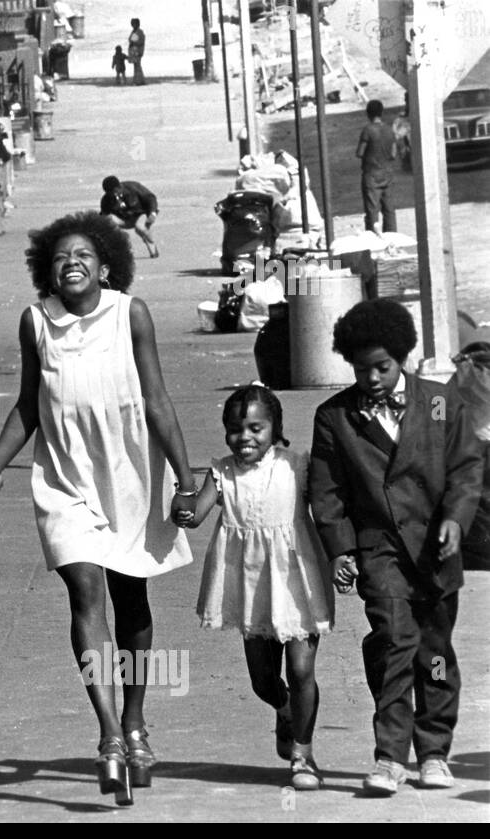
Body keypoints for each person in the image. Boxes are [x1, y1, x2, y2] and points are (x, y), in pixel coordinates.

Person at [0, 211, 193, 807]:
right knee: (85, 592)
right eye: (61, 256)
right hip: (64, 480)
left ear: (107, 265)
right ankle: (110, 734)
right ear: (47, 271)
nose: (72, 263)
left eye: (84, 254)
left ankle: (137, 722)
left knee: (132, 600)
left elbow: (159, 399)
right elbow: (28, 408)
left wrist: (186, 482)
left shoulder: (129, 313)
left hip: (132, 473)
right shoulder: (36, 322)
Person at [309, 299, 483, 796]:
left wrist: (455, 519)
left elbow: (466, 468)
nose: (373, 378)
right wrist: (341, 549)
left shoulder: (437, 402)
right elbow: (327, 492)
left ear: (402, 357)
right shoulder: (336, 417)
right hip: (380, 551)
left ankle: (432, 751)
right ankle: (388, 756)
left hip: (436, 552)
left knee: (433, 653)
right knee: (394, 643)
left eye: (382, 367)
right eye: (362, 369)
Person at [174, 385, 334, 791]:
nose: (244, 437)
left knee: (301, 670)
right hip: (250, 587)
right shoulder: (222, 472)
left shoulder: (298, 466)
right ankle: (283, 709)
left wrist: (345, 554)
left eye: (255, 428)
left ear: (275, 428)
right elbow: (195, 516)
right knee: (263, 680)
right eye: (234, 429)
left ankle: (304, 754)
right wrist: (182, 502)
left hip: (298, 581)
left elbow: (330, 508)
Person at [357, 99, 398, 234]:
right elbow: (393, 154)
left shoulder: (368, 130)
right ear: (381, 113)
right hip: (387, 174)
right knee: (389, 209)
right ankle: (392, 237)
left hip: (371, 175)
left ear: (368, 113)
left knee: (372, 210)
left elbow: (360, 153)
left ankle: (374, 238)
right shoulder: (389, 130)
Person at [100, 175, 160, 258]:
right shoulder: (106, 199)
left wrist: (152, 213)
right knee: (108, 220)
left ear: (119, 187)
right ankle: (123, 246)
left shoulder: (133, 187)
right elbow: (103, 215)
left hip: (141, 214)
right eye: (109, 193)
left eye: (114, 191)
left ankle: (151, 243)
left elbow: (150, 198)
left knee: (139, 228)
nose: (113, 194)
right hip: (124, 219)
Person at [128, 18, 146, 86]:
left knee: (137, 66)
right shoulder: (134, 31)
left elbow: (140, 42)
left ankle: (139, 81)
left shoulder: (139, 32)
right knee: (136, 66)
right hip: (134, 51)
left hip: (137, 51)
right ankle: (138, 80)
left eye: (134, 24)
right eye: (132, 24)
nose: (133, 25)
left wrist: (134, 43)